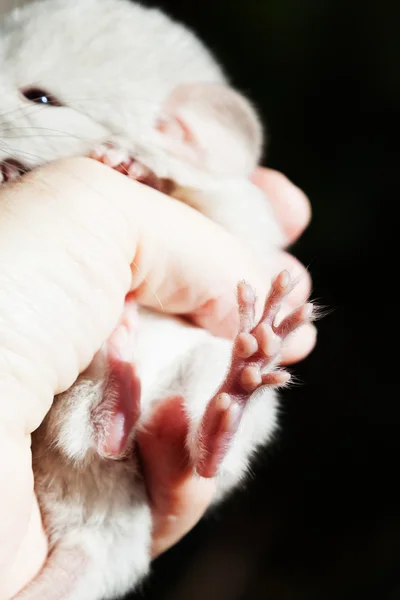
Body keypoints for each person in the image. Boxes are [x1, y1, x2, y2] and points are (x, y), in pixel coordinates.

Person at [0, 157, 315, 599]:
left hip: (97, 486)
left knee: (211, 357)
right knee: (213, 361)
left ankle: (207, 421)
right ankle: (209, 420)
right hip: (67, 480)